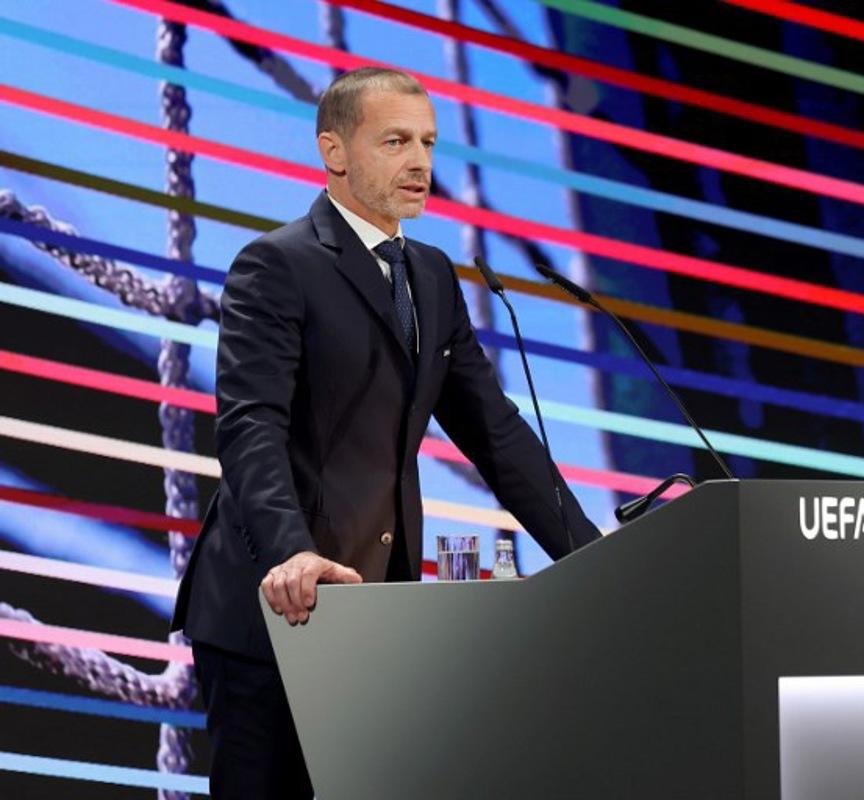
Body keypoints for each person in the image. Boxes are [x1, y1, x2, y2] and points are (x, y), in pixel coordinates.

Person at [170, 66, 601, 798]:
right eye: (396, 140)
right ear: (334, 152)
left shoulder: (433, 275)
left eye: (428, 142)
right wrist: (293, 557)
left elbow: (496, 433)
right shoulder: (276, 264)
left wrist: (592, 558)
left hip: (378, 618)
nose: (421, 163)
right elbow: (251, 429)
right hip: (274, 613)